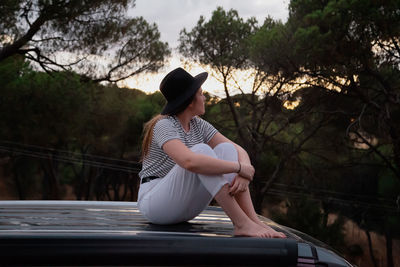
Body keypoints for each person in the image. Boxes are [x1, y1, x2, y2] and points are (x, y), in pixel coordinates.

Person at [137, 67, 286, 238]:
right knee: (201, 152)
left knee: (227, 150)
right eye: (201, 94)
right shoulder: (164, 125)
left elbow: (237, 149)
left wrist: (244, 170)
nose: (205, 97)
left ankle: (253, 221)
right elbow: (189, 162)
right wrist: (238, 168)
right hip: (156, 205)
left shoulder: (198, 124)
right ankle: (241, 223)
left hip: (184, 208)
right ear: (190, 101)